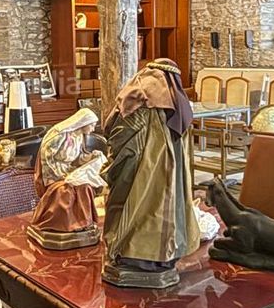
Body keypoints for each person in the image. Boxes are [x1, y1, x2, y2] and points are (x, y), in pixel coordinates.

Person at [101, 58, 199, 287]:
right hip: (167, 177)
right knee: (162, 211)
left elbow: (117, 132)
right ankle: (160, 254)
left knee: (134, 208)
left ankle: (133, 253)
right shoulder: (177, 105)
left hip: (140, 172)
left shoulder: (138, 99)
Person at [26, 108, 106, 250]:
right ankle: (61, 224)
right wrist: (62, 176)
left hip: (68, 171)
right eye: (92, 125)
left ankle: (82, 224)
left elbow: (77, 159)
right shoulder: (59, 135)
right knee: (66, 191)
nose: (93, 129)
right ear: (84, 122)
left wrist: (91, 157)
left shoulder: (79, 136)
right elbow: (47, 160)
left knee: (85, 186)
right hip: (53, 175)